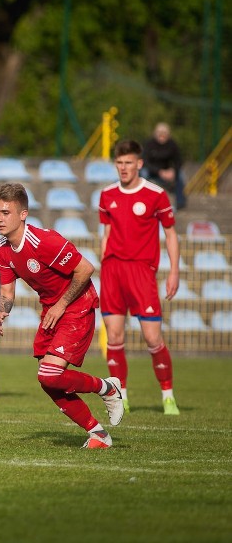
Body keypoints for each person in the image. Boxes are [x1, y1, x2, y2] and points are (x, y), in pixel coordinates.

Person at [0, 183, 124, 449]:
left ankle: (107, 388)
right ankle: (98, 434)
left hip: (76, 305)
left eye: (6, 213)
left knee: (50, 374)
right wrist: (1, 311)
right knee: (48, 381)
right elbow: (7, 290)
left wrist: (61, 305)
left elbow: (86, 269)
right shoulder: (3, 248)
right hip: (51, 310)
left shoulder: (44, 241)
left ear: (23, 214)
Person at [98, 139, 181, 415]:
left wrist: (174, 272)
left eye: (128, 163)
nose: (123, 168)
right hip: (112, 271)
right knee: (115, 336)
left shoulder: (155, 195)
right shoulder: (107, 195)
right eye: (119, 163)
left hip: (141, 272)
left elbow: (170, 234)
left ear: (139, 164)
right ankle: (122, 395)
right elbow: (106, 233)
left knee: (152, 338)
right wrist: (103, 264)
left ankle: (167, 394)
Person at [143, 122, 186, 209]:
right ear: (155, 133)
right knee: (143, 173)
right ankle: (143, 199)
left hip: (167, 171)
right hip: (152, 171)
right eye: (160, 133)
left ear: (168, 134)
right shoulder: (149, 144)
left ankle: (180, 202)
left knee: (181, 175)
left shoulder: (172, 145)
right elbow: (145, 162)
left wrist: (173, 171)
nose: (162, 135)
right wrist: (159, 172)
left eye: (164, 133)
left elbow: (178, 161)